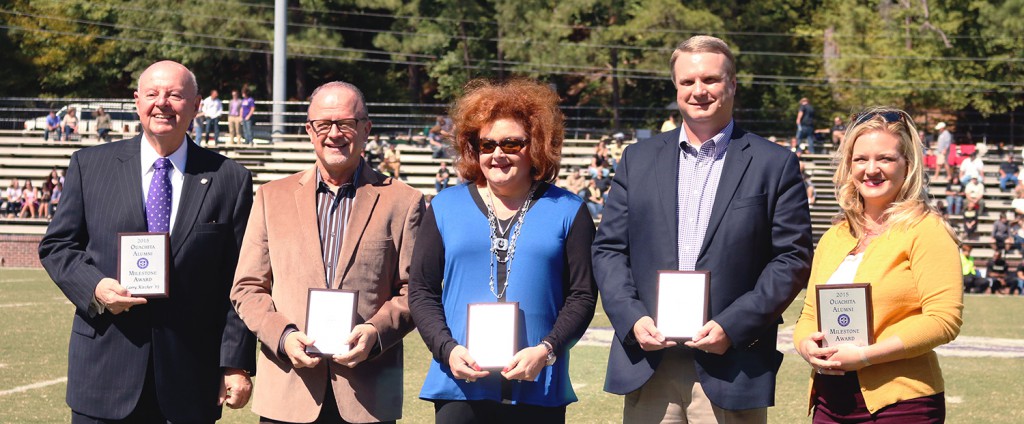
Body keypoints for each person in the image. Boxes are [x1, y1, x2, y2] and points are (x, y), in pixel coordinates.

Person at [593, 35, 813, 422]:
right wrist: (632, 318)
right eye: (688, 82)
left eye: (710, 80)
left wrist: (733, 325)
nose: (699, 91)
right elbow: (609, 249)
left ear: (732, 85)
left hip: (731, 363)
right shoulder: (637, 159)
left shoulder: (773, 164)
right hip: (651, 363)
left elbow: (792, 257)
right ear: (676, 87)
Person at [38, 60, 256, 423]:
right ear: (137, 101)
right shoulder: (90, 166)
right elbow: (58, 245)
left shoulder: (229, 179)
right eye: (152, 94)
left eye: (174, 95)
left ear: (197, 104)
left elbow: (241, 277)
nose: (162, 103)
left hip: (190, 378)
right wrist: (95, 288)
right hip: (104, 372)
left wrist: (235, 362)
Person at [231, 81, 424, 424]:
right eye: (324, 124)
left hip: (367, 397)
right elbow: (247, 289)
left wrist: (376, 333)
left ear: (366, 129)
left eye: (346, 123)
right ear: (309, 130)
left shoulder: (404, 201)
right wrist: (283, 336)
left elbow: (415, 292)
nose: (334, 133)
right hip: (289, 392)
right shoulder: (271, 198)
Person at [408, 78, 597, 423]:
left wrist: (547, 350)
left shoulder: (569, 210)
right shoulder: (444, 207)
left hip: (538, 383)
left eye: (511, 144)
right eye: (487, 144)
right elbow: (421, 290)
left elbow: (582, 295)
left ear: (536, 146)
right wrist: (447, 350)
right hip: (460, 385)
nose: (497, 154)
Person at [793, 108, 962, 423]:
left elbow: (943, 320)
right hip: (830, 403)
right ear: (849, 166)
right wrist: (806, 346)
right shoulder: (835, 235)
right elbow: (809, 315)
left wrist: (865, 356)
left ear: (907, 166)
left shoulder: (926, 229)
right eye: (861, 159)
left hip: (903, 404)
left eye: (885, 158)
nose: (871, 169)